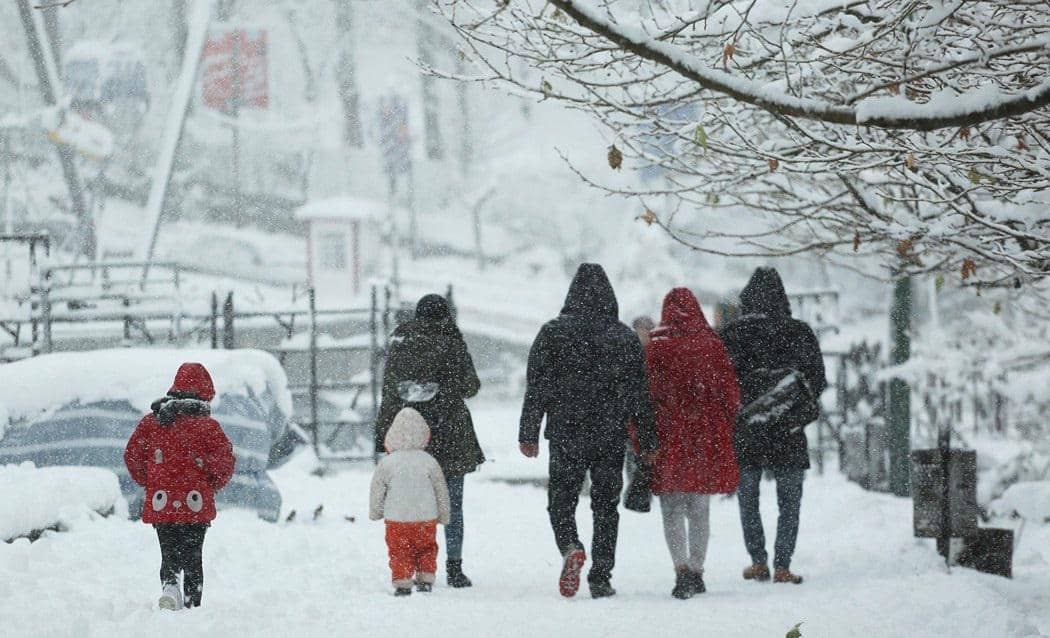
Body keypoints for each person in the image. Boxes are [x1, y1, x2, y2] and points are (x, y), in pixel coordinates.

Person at [519, 263, 657, 599]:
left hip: (567, 431)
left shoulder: (553, 333)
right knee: (606, 506)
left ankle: (570, 546)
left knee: (561, 501)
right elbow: (640, 393)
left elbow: (537, 386)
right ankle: (601, 576)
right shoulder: (625, 337)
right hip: (610, 433)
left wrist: (528, 432)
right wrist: (648, 440)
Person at [719, 268, 826, 585]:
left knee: (748, 496)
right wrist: (789, 406)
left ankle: (758, 560)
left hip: (747, 428)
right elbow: (817, 381)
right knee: (789, 501)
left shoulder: (733, 333)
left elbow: (722, 383)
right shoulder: (800, 332)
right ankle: (783, 564)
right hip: (788, 430)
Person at [376, 294, 484, 588]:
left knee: (409, 503)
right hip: (450, 434)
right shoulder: (451, 340)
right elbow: (471, 386)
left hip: (409, 435)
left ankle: (410, 564)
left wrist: (383, 435)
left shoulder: (400, 343)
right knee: (453, 504)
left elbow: (389, 391)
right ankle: (454, 567)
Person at [645, 288, 740, 599]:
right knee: (699, 506)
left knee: (671, 507)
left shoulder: (656, 349)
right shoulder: (712, 346)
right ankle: (697, 570)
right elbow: (730, 395)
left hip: (668, 435)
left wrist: (642, 438)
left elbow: (644, 398)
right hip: (704, 436)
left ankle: (681, 569)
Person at [124, 363, 235, 610]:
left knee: (169, 551)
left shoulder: (152, 423)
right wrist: (210, 483)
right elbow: (224, 462)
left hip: (161, 502)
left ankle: (170, 586)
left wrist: (149, 480)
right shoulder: (209, 427)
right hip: (195, 505)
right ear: (206, 394)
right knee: (194, 555)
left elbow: (132, 454)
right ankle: (192, 602)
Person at [370, 407, 452, 596]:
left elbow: (377, 490)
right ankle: (425, 578)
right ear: (424, 433)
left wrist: (376, 511)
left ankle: (403, 581)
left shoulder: (387, 463)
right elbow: (441, 490)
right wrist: (444, 515)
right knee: (426, 548)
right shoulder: (429, 461)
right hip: (426, 518)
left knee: (399, 550)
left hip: (397, 519)